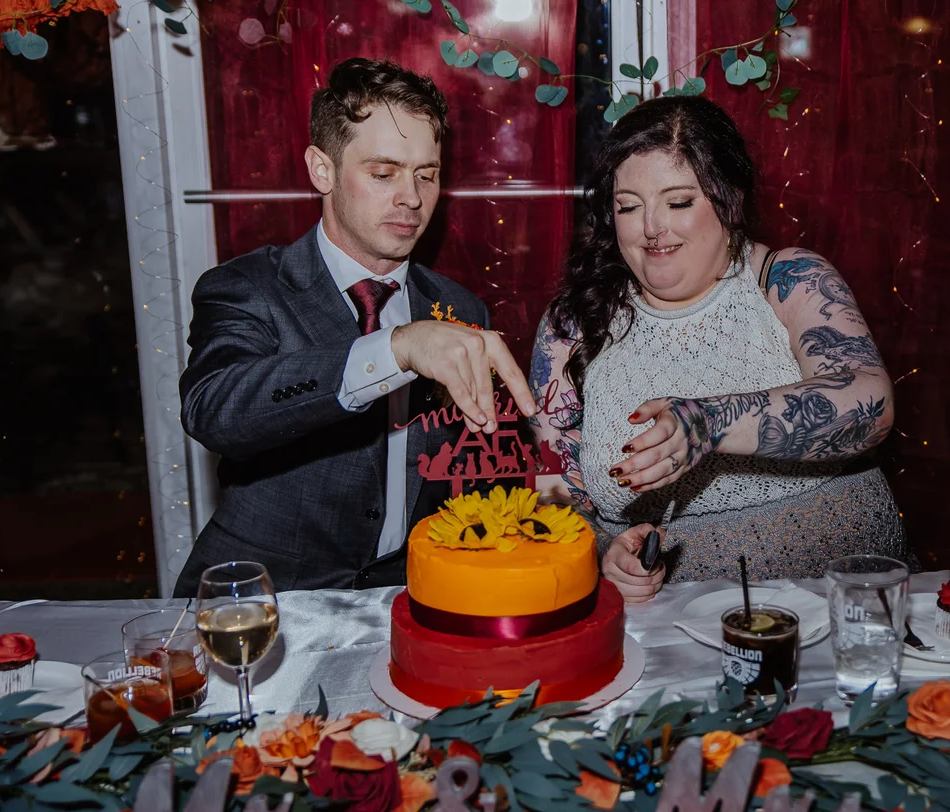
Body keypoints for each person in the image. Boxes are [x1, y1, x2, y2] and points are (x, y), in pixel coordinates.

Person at [174, 58, 535, 596]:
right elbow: (215, 411)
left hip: (412, 596)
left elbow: (474, 475)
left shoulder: (460, 310)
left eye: (426, 175)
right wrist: (395, 348)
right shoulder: (248, 288)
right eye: (383, 173)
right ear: (322, 170)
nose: (411, 198)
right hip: (263, 601)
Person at [529, 95, 905, 602]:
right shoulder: (571, 324)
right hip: (664, 614)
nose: (650, 227)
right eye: (628, 206)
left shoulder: (790, 279)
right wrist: (601, 551)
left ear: (729, 197)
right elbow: (556, 490)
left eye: (679, 202)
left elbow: (870, 403)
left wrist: (710, 422)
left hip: (833, 592)